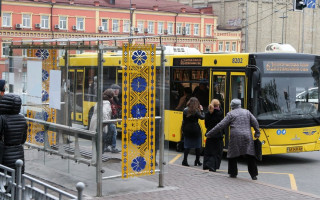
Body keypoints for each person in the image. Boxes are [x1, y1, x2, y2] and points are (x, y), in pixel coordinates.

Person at [206, 98, 260, 180]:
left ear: (232, 106)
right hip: (247, 136)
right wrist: (257, 132)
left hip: (235, 136)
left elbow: (220, 125)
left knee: (232, 155)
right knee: (250, 155)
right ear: (240, 105)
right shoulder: (247, 112)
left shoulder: (230, 114)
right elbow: (255, 122)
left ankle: (233, 173)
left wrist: (209, 133)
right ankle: (253, 175)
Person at [0, 94, 28, 175]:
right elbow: (23, 139)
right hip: (19, 153)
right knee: (17, 177)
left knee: (4, 178)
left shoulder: (2, 118)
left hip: (4, 154)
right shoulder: (22, 119)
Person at [181, 97, 205, 167]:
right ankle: (197, 161)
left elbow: (184, 120)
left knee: (187, 146)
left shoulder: (185, 110)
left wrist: (183, 129)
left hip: (187, 129)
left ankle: (184, 160)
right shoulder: (196, 111)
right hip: (195, 130)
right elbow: (202, 117)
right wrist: (202, 110)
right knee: (198, 146)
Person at [203, 99, 224, 172]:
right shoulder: (220, 113)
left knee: (209, 151)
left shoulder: (207, 113)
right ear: (218, 105)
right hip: (218, 135)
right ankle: (213, 166)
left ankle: (207, 164)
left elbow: (206, 125)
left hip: (209, 134)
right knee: (216, 151)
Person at [108, 84, 122, 153]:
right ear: (115, 91)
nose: (119, 92)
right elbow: (113, 108)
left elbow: (119, 105)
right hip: (110, 118)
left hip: (111, 118)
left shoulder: (115, 98)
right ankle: (113, 147)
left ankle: (106, 147)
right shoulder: (111, 99)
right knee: (114, 132)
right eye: (118, 90)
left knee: (110, 132)